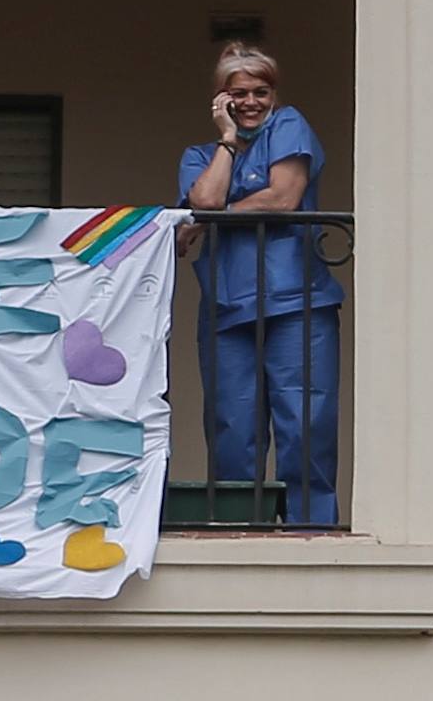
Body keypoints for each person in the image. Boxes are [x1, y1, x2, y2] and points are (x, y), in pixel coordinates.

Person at [176, 42, 344, 525]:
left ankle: (309, 529)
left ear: (275, 94)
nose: (251, 102)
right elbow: (204, 198)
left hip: (297, 304)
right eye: (238, 93)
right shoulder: (200, 155)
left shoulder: (289, 124)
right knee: (232, 425)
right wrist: (227, 141)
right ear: (220, 100)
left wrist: (213, 220)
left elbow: (283, 197)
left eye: (261, 91)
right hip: (227, 307)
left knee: (305, 422)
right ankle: (238, 526)